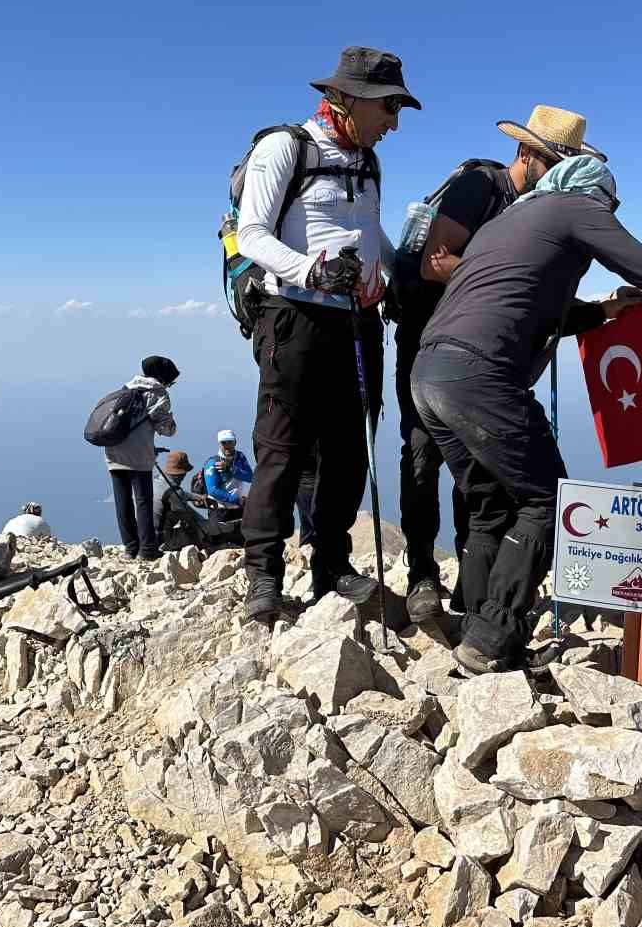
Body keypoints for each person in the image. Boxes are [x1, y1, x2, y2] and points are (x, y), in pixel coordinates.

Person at [412, 155, 642, 674]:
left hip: (430, 372)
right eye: (611, 201)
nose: (610, 209)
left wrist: (603, 312)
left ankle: (473, 625)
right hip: (481, 375)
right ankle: (493, 637)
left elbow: (528, 304)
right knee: (549, 500)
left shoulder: (511, 221)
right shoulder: (576, 206)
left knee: (488, 502)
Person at [392, 105, 604, 625]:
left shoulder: (537, 207)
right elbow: (434, 259)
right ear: (527, 153)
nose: (557, 175)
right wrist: (509, 282)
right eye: (552, 162)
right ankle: (422, 572)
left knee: (485, 473)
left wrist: (597, 312)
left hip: (491, 360)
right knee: (423, 456)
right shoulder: (480, 188)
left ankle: (473, 586)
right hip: (432, 341)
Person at [237, 46, 418, 623]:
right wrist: (312, 268)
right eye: (389, 108)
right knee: (282, 448)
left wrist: (399, 271)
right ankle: (263, 575)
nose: (393, 123)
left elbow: (368, 229)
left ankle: (332, 564)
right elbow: (252, 235)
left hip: (358, 322)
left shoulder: (368, 161)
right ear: (352, 99)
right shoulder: (285, 148)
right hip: (294, 317)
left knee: (347, 450)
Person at [103, 356, 178, 561]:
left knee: (122, 502)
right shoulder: (158, 393)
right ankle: (147, 551)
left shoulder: (125, 389)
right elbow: (166, 428)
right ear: (163, 377)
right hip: (138, 456)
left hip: (113, 451)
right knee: (143, 501)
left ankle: (130, 548)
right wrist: (171, 423)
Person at [155, 449, 242, 553]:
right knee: (199, 531)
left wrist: (198, 497)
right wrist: (209, 526)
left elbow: (181, 495)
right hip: (162, 539)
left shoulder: (158, 481)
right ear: (182, 473)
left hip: (146, 534)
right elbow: (190, 518)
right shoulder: (175, 493)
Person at [202, 429, 253, 523]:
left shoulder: (240, 457)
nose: (227, 446)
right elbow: (212, 490)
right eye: (224, 443)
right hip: (220, 510)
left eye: (230, 442)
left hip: (238, 508)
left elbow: (250, 477)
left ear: (235, 442)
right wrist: (235, 499)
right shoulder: (213, 463)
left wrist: (230, 469)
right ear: (219, 444)